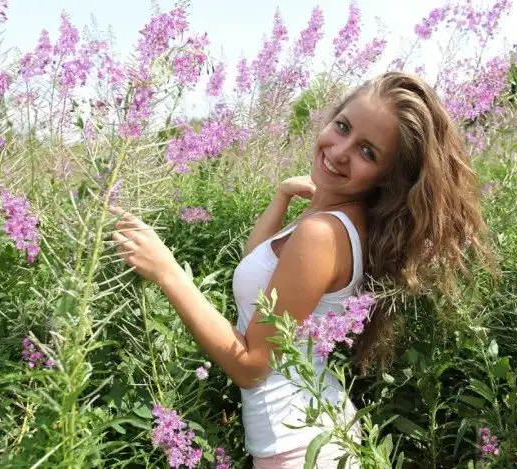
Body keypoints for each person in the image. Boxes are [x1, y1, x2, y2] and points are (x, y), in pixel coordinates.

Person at [110, 71, 491, 468]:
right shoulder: (336, 218)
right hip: (308, 436)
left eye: (367, 152)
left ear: (388, 176)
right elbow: (260, 270)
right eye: (342, 127)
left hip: (298, 450)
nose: (339, 151)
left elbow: (251, 367)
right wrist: (282, 197)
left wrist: (168, 272)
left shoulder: (322, 233)